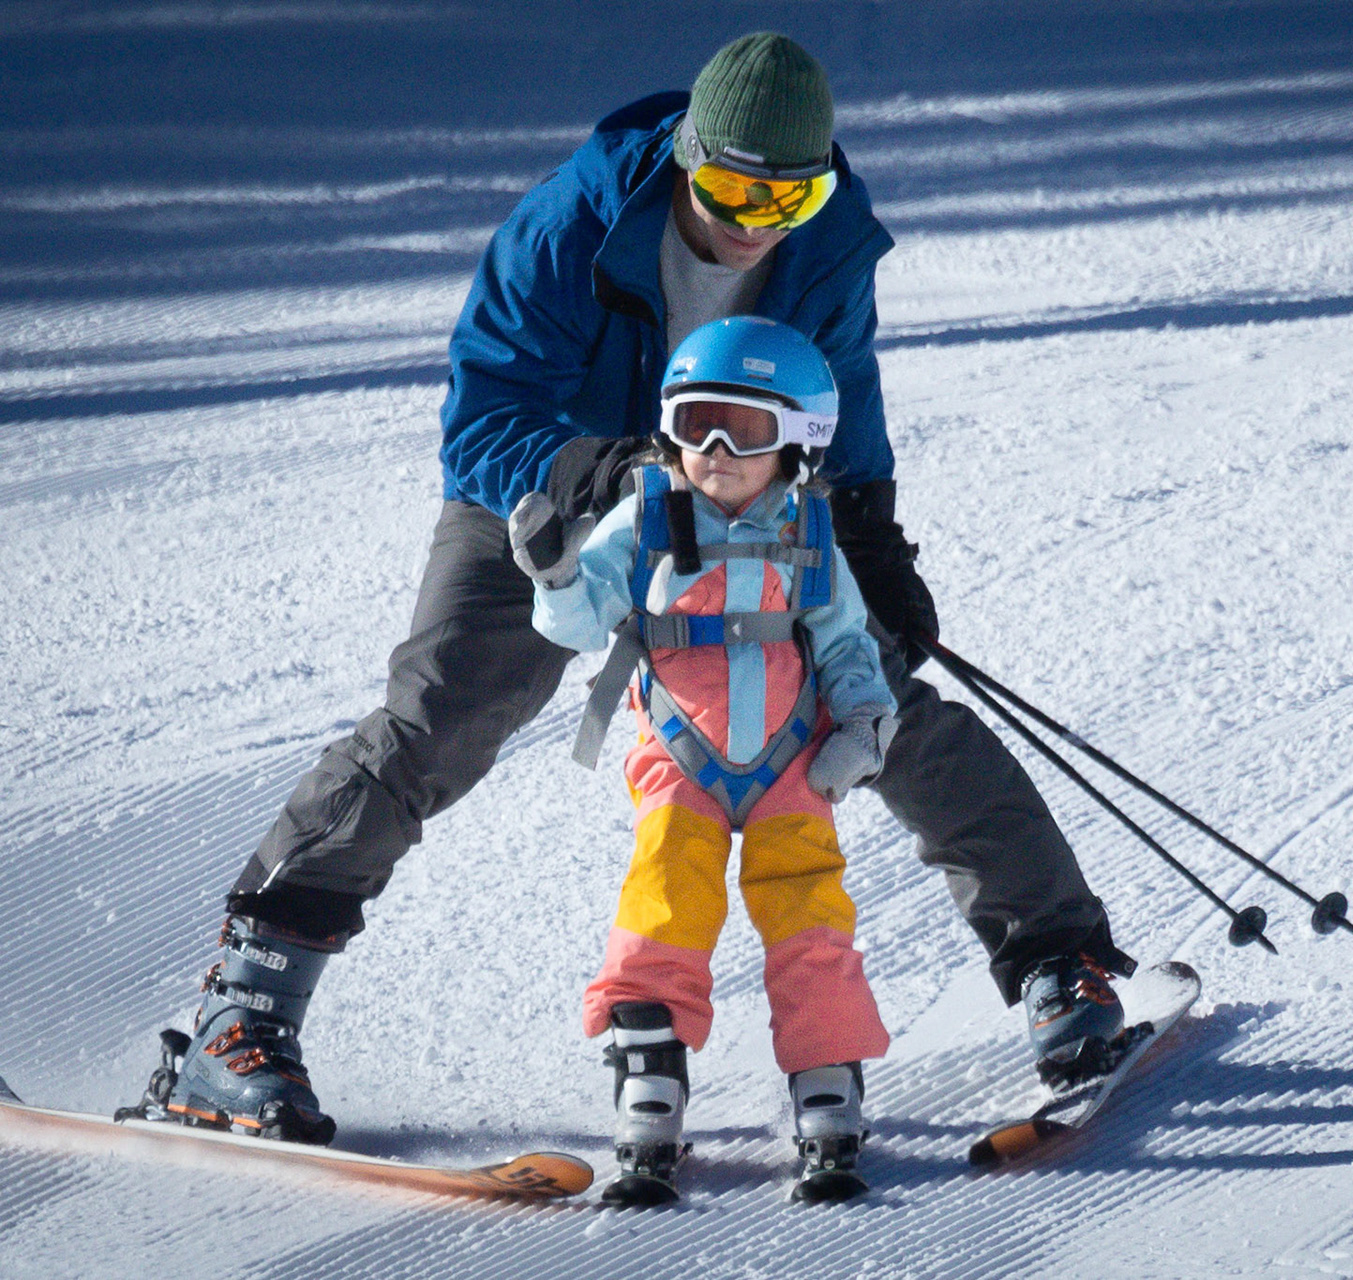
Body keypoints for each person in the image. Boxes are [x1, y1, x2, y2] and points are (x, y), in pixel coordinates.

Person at [130, 31, 1131, 1146]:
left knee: (883, 700)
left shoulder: (830, 240)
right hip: (550, 488)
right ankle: (243, 1012)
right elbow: (483, 415)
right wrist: (595, 478)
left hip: (750, 492)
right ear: (685, 155)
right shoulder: (576, 221)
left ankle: (1061, 961)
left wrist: (871, 531)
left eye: (786, 195)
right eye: (730, 186)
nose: (755, 218)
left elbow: (842, 393)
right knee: (450, 706)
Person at [518, 316, 891, 1201]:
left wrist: (866, 720)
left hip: (790, 759)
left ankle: (826, 1075)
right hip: (682, 755)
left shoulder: (809, 532)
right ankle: (650, 1065)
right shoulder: (644, 517)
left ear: (797, 441)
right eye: (696, 425)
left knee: (807, 903)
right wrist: (555, 576)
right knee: (665, 892)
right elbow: (574, 625)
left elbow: (843, 642)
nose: (717, 451)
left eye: (747, 430)